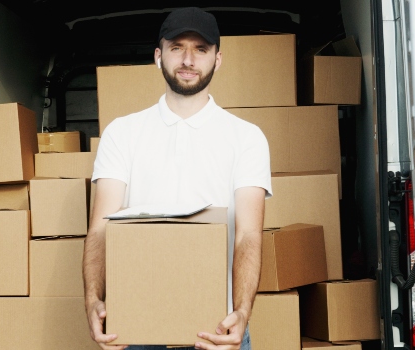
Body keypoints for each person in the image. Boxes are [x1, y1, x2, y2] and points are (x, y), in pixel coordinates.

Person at [83, 7, 272, 350]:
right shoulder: (122, 133)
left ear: (217, 59)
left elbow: (248, 235)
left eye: (200, 49)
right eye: (176, 47)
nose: (188, 59)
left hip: (217, 327)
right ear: (158, 56)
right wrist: (93, 299)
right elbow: (100, 228)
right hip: (135, 327)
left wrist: (243, 310)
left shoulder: (246, 138)